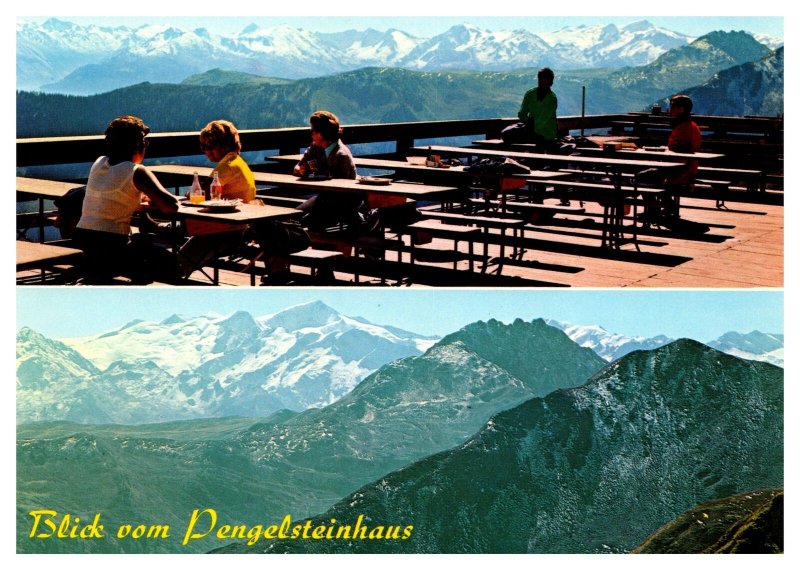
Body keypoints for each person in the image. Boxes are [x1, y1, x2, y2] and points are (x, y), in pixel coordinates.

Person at [74, 115, 179, 282]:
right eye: (145, 144)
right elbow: (170, 206)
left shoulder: (99, 163)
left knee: (142, 246)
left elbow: (115, 193)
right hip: (112, 244)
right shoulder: (136, 171)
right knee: (169, 262)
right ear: (138, 146)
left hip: (84, 239)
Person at [178, 120, 259, 278]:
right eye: (203, 147)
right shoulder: (235, 161)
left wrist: (190, 194)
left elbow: (200, 193)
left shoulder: (227, 165)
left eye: (211, 145)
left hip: (227, 230)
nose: (206, 151)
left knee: (179, 263)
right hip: (233, 224)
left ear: (226, 144)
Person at [294, 111, 364, 236]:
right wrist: (300, 170)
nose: (311, 135)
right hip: (325, 197)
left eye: (312, 131)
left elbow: (344, 190)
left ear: (321, 134)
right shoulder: (316, 147)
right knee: (295, 216)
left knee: (312, 221)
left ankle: (361, 223)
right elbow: (298, 166)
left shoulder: (341, 155)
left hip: (343, 202)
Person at [501, 67, 558, 148]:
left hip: (546, 134)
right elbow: (522, 114)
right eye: (541, 80)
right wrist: (527, 124)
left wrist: (528, 124)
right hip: (535, 130)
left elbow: (543, 120)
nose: (542, 82)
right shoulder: (531, 94)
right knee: (506, 133)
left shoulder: (551, 98)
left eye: (545, 80)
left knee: (508, 134)